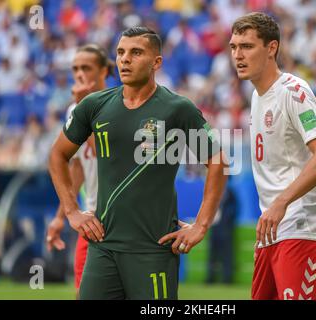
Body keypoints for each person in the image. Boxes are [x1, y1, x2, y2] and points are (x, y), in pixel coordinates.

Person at [48, 27, 227, 300]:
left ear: (157, 62)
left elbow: (217, 160)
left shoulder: (177, 109)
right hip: (102, 246)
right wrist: (71, 211)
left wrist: (202, 224)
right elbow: (57, 156)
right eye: (120, 52)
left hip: (153, 251)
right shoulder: (94, 105)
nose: (125, 59)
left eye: (136, 52)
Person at [229, 12, 316, 300]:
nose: (238, 55)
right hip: (271, 232)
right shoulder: (255, 96)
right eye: (233, 47)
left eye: (247, 46)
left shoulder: (294, 91)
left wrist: (281, 202)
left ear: (272, 48)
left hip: (304, 231)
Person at [46, 44, 114, 295]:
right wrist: (61, 216)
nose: (80, 74)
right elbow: (77, 169)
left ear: (105, 71)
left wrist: (84, 106)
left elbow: (105, 156)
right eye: (75, 68)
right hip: (91, 218)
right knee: (81, 293)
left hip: (119, 218)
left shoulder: (118, 104)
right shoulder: (74, 109)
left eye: (87, 67)